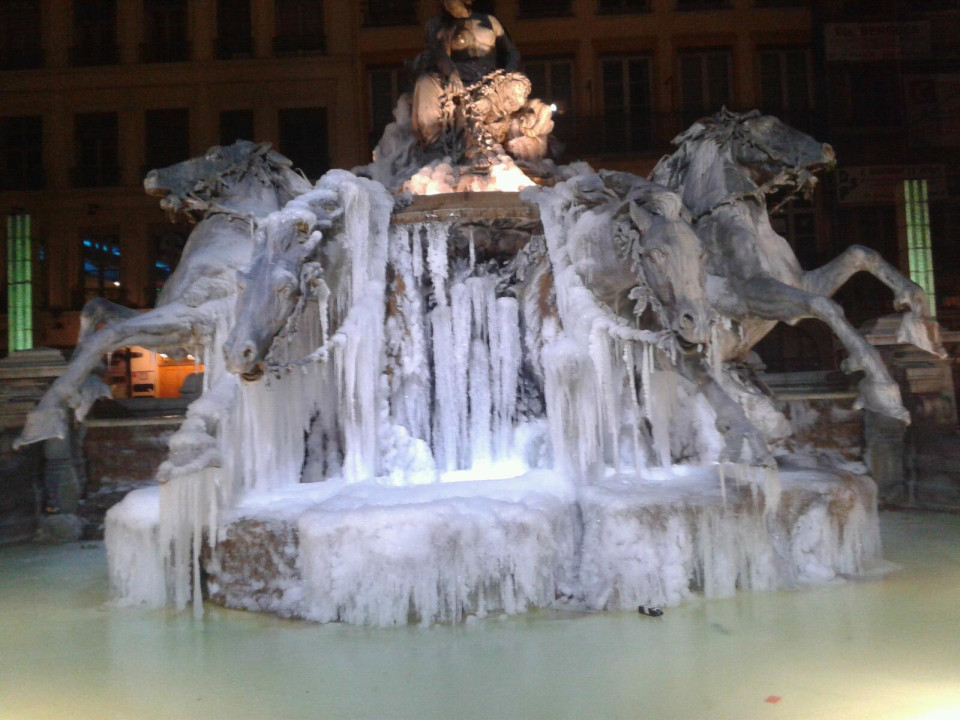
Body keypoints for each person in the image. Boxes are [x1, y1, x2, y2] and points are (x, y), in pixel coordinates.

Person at [411, 0, 523, 161]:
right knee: (425, 83)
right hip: (459, 74)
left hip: (491, 75)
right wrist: (452, 74)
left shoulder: (489, 21)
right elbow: (441, 55)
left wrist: (510, 69)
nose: (449, 4)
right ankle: (435, 144)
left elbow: (511, 51)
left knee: (516, 84)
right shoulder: (443, 25)